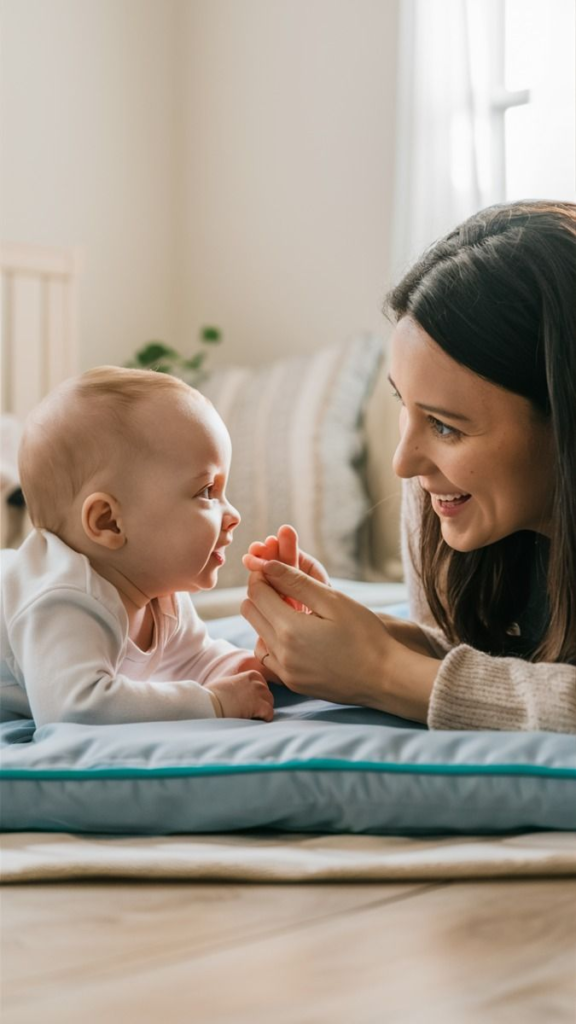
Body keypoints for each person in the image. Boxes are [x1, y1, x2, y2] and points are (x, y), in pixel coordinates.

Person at [241, 200, 576, 733]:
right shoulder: (440, 496)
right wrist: (354, 637)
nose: (404, 463)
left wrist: (380, 672)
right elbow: (474, 647)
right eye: (404, 405)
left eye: (446, 426)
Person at [1, 367, 273, 727]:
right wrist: (214, 704)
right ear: (109, 522)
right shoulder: (63, 597)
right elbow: (74, 708)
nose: (233, 514)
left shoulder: (160, 593)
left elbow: (196, 660)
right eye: (207, 491)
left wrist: (257, 667)